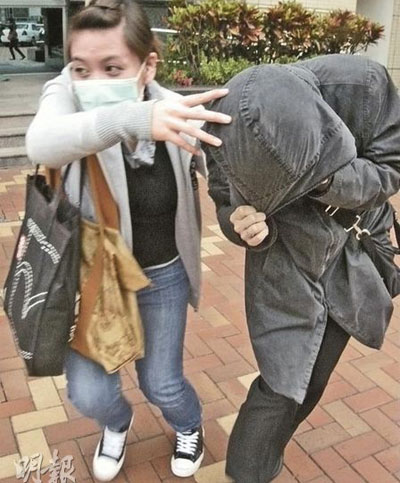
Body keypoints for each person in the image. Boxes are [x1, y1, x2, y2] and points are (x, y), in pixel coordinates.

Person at [25, 0, 232, 481]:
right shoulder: (66, 97)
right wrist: (132, 119)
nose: (93, 80)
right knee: (89, 394)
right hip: (94, 280)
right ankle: (117, 423)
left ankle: (188, 425)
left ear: (148, 65)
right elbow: (41, 142)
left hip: (162, 277)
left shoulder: (178, 112)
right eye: (82, 68)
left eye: (113, 68)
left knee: (162, 383)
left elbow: (224, 175)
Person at [204, 54, 400, 482]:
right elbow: (223, 201)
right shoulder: (220, 123)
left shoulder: (364, 86)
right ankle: (250, 469)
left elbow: (391, 167)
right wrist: (239, 224)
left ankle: (270, 450)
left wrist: (328, 181)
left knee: (315, 375)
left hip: (353, 250)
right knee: (282, 380)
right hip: (285, 256)